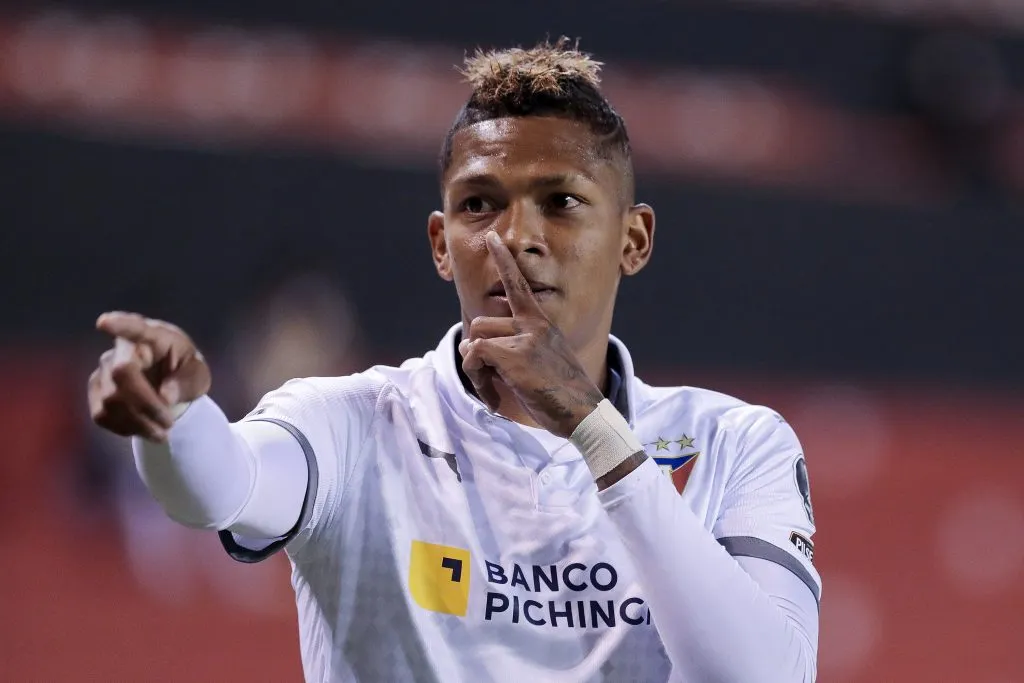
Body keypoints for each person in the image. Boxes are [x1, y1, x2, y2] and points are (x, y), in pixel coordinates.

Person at [88, 39, 820, 683]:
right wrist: (174, 420)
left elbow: (764, 675)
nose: (516, 237)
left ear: (634, 239)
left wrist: (596, 432)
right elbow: (220, 484)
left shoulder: (735, 444)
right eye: (479, 205)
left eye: (560, 201)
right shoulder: (352, 424)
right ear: (441, 244)